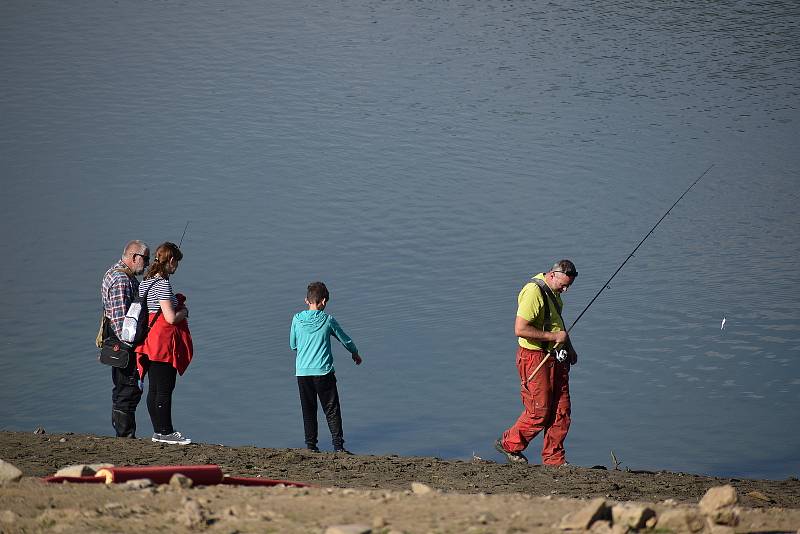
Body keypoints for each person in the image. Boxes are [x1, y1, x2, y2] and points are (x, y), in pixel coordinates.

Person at [495, 260, 579, 466]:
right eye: (563, 285)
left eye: (569, 286)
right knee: (538, 411)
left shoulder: (554, 291)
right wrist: (553, 337)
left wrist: (569, 346)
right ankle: (509, 444)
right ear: (552, 275)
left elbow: (557, 322)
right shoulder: (533, 292)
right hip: (534, 357)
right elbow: (520, 329)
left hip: (555, 356)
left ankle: (554, 460)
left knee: (561, 409)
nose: (566, 290)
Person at [290, 281, 363, 453]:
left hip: (302, 373)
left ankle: (311, 446)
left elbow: (293, 345)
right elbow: (344, 339)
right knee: (331, 409)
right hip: (323, 372)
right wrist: (355, 352)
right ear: (323, 301)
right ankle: (338, 447)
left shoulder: (296, 320)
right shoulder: (328, 320)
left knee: (308, 410)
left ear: (307, 301)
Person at [134, 242, 194, 445]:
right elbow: (170, 317)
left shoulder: (146, 282)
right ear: (171, 260)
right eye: (176, 262)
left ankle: (158, 431)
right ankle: (166, 431)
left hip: (149, 342)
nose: (177, 266)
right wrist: (184, 312)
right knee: (165, 388)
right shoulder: (162, 284)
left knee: (154, 389)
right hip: (163, 343)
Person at [101, 240, 150, 438]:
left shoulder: (113, 272)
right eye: (145, 259)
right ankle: (126, 436)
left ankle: (124, 436)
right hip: (123, 346)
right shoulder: (121, 280)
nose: (147, 264)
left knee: (122, 390)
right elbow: (122, 324)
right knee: (127, 390)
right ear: (134, 257)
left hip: (116, 345)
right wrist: (135, 346)